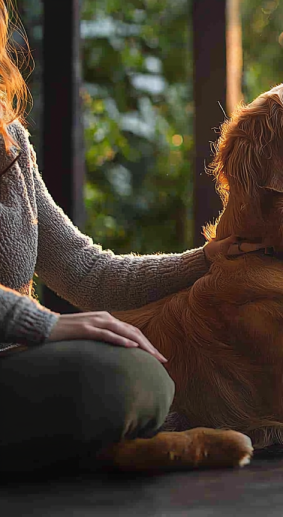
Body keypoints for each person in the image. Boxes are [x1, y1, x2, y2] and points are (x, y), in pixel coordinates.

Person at [0, 3, 235, 474]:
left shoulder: (10, 139)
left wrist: (209, 260)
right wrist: (44, 325)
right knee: (112, 381)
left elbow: (87, 271)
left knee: (139, 370)